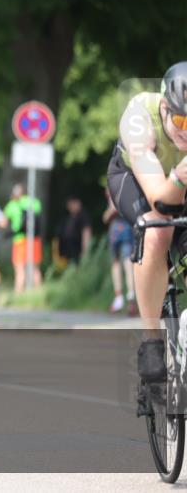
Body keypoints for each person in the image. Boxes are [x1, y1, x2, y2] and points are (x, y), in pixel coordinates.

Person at [107, 62, 187, 387]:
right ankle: (152, 340)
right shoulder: (140, 116)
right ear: (166, 108)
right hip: (138, 180)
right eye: (182, 119)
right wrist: (181, 175)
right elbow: (160, 200)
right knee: (158, 228)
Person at [3, 183, 43, 293]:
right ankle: (38, 293)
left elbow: (3, 222)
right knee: (35, 267)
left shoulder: (12, 204)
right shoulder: (35, 202)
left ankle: (19, 293)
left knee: (19, 268)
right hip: (34, 239)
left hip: (19, 239)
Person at [103, 187, 136, 315]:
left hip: (121, 230)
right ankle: (126, 298)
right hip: (121, 230)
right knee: (122, 263)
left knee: (123, 263)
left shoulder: (117, 194)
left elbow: (109, 213)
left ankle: (125, 298)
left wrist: (108, 213)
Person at [55, 196, 92, 271]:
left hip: (77, 248)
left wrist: (85, 249)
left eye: (71, 204)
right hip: (67, 249)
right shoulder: (67, 216)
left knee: (77, 266)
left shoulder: (83, 216)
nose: (69, 207)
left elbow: (86, 233)